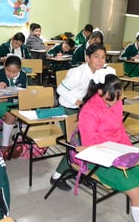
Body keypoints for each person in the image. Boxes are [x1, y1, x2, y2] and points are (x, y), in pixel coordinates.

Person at [79, 74, 139, 222]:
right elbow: (89, 143)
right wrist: (115, 150)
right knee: (138, 194)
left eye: (119, 96)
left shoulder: (116, 102)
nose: (116, 101)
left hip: (120, 154)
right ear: (100, 92)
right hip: (100, 159)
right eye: (112, 97)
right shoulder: (89, 111)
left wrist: (131, 151)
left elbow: (120, 129)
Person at [50, 43, 116, 191]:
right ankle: (56, 176)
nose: (100, 61)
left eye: (103, 57)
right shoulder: (77, 73)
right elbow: (60, 89)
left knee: (93, 139)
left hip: (83, 112)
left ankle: (81, 171)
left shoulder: (99, 73)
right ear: (87, 58)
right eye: (96, 57)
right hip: (67, 110)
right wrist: (78, 102)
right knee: (77, 143)